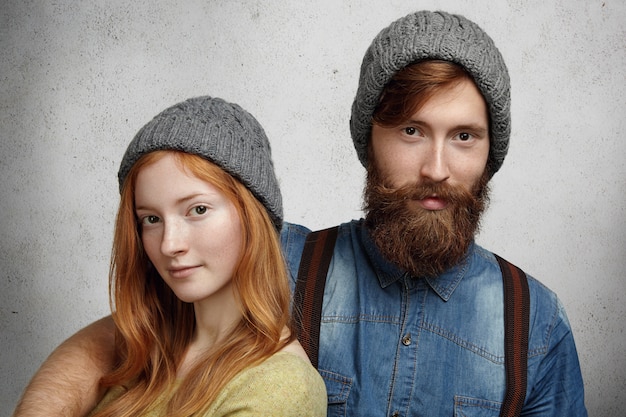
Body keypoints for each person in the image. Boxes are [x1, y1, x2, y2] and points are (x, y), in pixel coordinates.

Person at [13, 10, 586, 417]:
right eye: (411, 131)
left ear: (490, 153)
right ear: (370, 140)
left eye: (464, 135)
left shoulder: (535, 324)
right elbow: (122, 339)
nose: (436, 166)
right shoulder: (280, 259)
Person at [15, 96, 327, 416]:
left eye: (198, 210)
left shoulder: (280, 389)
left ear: (254, 216)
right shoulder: (150, 348)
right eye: (151, 219)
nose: (169, 244)